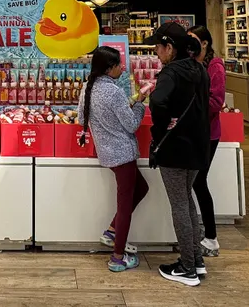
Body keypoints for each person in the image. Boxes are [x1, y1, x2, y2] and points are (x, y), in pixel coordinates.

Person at [146, 22, 210, 286]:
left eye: (158, 48)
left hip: (175, 148)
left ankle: (187, 267)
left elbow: (157, 101)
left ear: (169, 48)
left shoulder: (171, 73)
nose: (156, 53)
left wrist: (162, 127)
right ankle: (196, 259)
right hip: (198, 146)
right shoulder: (199, 69)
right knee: (188, 201)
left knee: (180, 206)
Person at [76, 46, 149, 272]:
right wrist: (140, 103)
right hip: (123, 153)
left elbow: (81, 118)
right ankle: (117, 257)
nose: (122, 67)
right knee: (125, 204)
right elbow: (131, 124)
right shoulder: (115, 92)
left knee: (141, 188)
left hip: (106, 152)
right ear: (109, 68)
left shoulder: (88, 88)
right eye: (118, 64)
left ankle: (111, 230)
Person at [188, 25, 224, 257]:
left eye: (193, 41)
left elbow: (216, 102)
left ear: (204, 43)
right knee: (195, 181)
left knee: (199, 181)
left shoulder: (215, 66)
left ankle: (211, 236)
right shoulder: (192, 64)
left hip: (207, 134)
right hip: (193, 133)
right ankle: (202, 230)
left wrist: (192, 109)